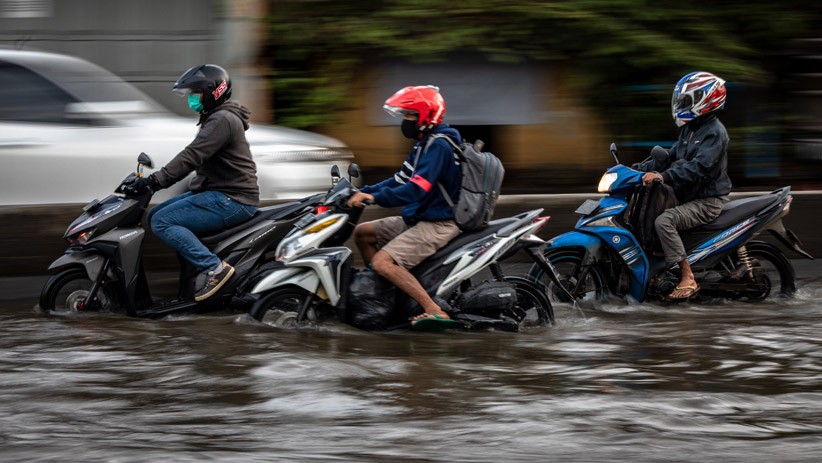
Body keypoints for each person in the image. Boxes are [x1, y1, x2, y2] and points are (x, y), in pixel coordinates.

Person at [124, 64, 259, 302]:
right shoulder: (216, 117)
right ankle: (191, 283)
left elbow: (191, 156)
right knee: (155, 215)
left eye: (195, 94)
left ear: (212, 92)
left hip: (233, 200)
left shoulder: (222, 120)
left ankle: (214, 269)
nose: (191, 99)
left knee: (163, 222)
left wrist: (155, 181)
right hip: (220, 193)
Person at [347, 85, 461, 321]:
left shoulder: (439, 145)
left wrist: (375, 198)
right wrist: (361, 191)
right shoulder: (424, 143)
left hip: (438, 223)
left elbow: (416, 190)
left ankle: (433, 310)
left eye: (410, 115)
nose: (405, 121)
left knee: (382, 262)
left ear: (426, 116)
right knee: (363, 233)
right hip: (419, 217)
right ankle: (384, 295)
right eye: (404, 115)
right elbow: (399, 180)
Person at [634, 71, 732, 301]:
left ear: (705, 100)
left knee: (664, 220)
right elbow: (668, 156)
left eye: (687, 101)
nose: (681, 105)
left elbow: (699, 167)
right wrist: (637, 168)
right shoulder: (690, 129)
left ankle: (688, 277)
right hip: (689, 194)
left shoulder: (715, 133)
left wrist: (663, 176)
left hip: (707, 200)